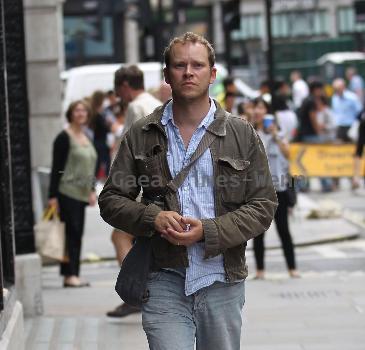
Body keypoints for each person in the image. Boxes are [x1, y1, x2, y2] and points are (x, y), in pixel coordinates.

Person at [99, 32, 277, 349]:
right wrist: (152, 217)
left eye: (197, 65)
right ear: (167, 74)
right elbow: (111, 199)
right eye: (179, 65)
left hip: (221, 278)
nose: (188, 72)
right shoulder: (142, 132)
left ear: (213, 73)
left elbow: (263, 204)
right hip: (162, 276)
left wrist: (208, 231)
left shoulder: (240, 132)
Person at [106, 65, 162, 318]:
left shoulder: (135, 107)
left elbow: (131, 152)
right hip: (157, 183)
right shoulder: (155, 101)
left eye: (119, 91)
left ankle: (135, 292)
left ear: (125, 86)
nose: (119, 96)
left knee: (119, 236)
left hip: (140, 186)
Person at [48, 100, 97, 287]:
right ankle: (69, 275)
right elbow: (56, 168)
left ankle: (73, 273)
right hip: (66, 192)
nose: (81, 113)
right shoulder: (63, 137)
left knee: (76, 234)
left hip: (82, 194)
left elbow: (90, 167)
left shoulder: (86, 137)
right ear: (70, 113)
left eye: (84, 110)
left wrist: (92, 190)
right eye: (77, 110)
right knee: (70, 234)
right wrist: (52, 197)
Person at [252, 97, 299, 280]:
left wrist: (275, 134)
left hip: (279, 189)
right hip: (259, 190)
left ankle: (292, 268)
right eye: (256, 108)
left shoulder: (278, 133)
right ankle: (260, 271)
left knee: (284, 230)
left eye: (262, 108)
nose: (259, 111)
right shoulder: (252, 132)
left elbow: (288, 154)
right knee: (258, 232)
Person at [89, 90, 112, 180]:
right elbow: (104, 129)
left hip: (98, 141)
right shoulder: (97, 114)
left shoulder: (97, 113)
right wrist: (108, 125)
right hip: (100, 143)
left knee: (99, 164)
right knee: (103, 164)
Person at [332, 78, 362, 143]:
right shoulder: (334, 98)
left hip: (351, 127)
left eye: (338, 88)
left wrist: (356, 125)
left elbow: (359, 111)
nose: (337, 90)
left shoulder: (352, 97)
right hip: (339, 127)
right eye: (335, 89)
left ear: (343, 87)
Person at [352, 109, 365, 189]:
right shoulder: (362, 112)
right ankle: (356, 178)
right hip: (361, 140)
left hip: (360, 139)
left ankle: (356, 178)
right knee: (358, 157)